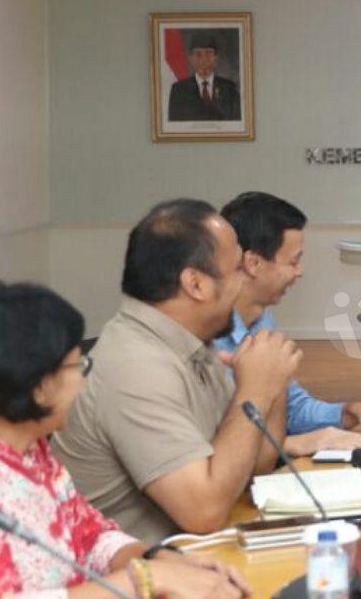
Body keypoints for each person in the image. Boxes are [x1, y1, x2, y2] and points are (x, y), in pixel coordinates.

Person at [0, 280, 250, 599]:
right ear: (42, 389)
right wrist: (146, 581)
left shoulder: (30, 448)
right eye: (80, 367)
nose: (85, 380)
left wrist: (164, 562)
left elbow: (89, 535)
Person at [54, 199, 302, 544]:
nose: (243, 285)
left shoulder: (194, 345)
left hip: (195, 557)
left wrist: (272, 384)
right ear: (196, 284)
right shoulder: (135, 369)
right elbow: (203, 512)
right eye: (236, 272)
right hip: (137, 581)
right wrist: (255, 390)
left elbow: (254, 465)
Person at [217, 191, 361, 445]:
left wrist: (357, 411)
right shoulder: (207, 337)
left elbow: (293, 409)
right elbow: (210, 441)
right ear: (253, 263)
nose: (300, 272)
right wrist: (295, 445)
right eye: (293, 262)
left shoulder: (263, 321)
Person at [168, 34, 241, 121]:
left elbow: (236, 123)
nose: (203, 60)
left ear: (216, 58)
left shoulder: (229, 89)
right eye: (198, 54)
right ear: (190, 59)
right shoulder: (179, 90)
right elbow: (174, 125)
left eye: (208, 54)